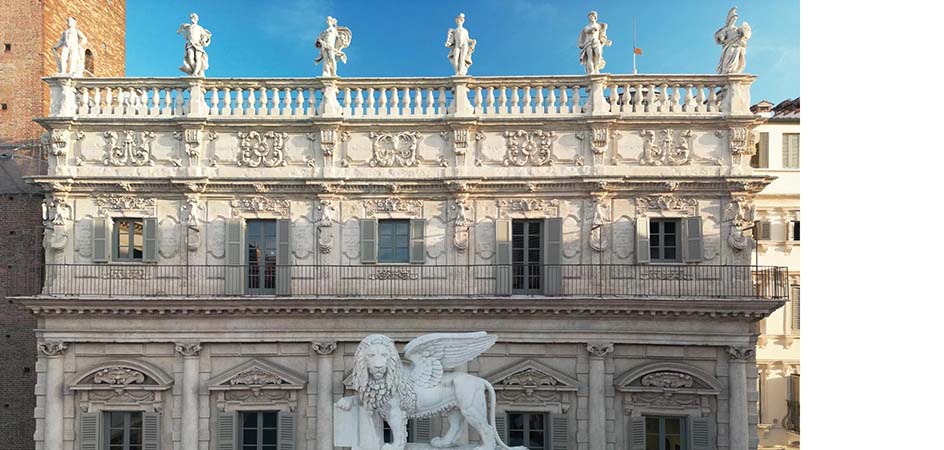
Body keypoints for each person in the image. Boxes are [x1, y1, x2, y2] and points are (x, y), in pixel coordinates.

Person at [714, 7, 751, 74]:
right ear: (730, 19)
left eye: (735, 18)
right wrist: (721, 37)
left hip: (737, 46)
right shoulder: (726, 29)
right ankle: (726, 71)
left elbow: (743, 38)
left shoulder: (737, 29)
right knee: (728, 57)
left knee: (736, 60)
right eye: (733, 18)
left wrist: (743, 35)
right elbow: (720, 38)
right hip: (729, 45)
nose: (734, 20)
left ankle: (733, 71)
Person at [177, 13, 212, 77]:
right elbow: (185, 33)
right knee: (190, 57)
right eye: (192, 17)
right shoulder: (189, 27)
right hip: (190, 43)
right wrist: (181, 30)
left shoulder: (199, 28)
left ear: (197, 19)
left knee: (198, 58)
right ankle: (195, 71)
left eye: (194, 17)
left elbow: (206, 35)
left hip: (198, 44)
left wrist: (204, 39)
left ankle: (195, 73)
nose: (193, 19)